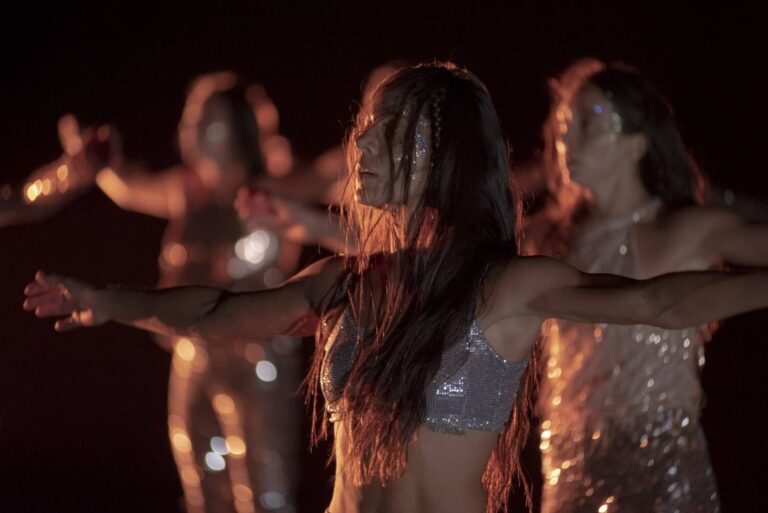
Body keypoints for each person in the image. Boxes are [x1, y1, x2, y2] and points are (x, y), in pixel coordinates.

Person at [24, 62, 768, 513]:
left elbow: (659, 301)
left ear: (439, 155)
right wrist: (112, 302)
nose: (360, 149)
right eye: (365, 130)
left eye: (385, 135)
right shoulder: (347, 282)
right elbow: (218, 311)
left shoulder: (507, 284)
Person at [8, 72, 303, 513]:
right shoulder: (185, 191)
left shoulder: (275, 191)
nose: (189, 127)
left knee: (264, 491)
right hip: (191, 354)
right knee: (202, 484)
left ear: (236, 125)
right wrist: (88, 163)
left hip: (257, 361)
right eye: (189, 117)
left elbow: (333, 182)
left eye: (204, 117)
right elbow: (125, 187)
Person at [531, 60, 768, 512]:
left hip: (660, 467)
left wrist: (729, 199)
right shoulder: (549, 239)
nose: (566, 138)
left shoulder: (683, 229)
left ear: (637, 142)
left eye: (588, 122)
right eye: (565, 124)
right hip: (568, 461)